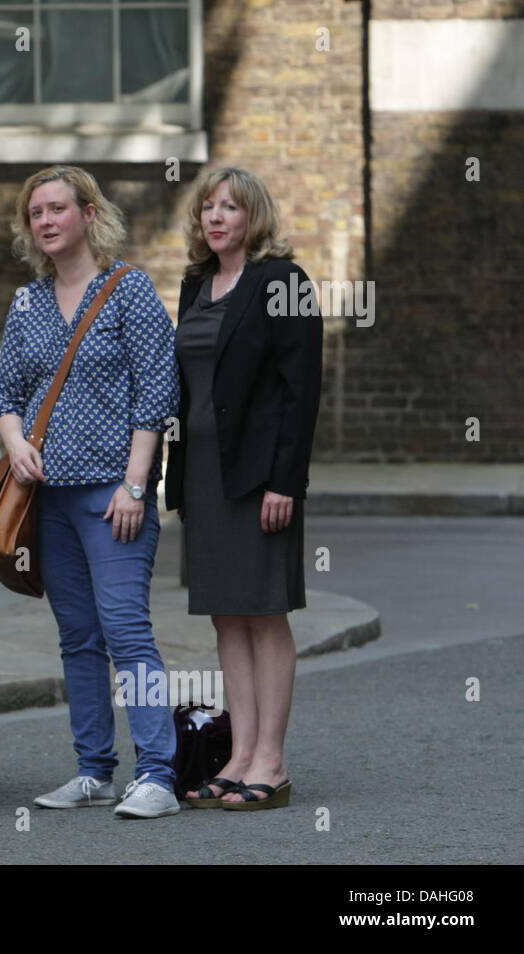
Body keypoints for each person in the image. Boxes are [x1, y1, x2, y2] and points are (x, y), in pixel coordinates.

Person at [0, 165, 181, 819]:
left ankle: (158, 773)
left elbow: (157, 393)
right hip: (48, 499)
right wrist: (14, 444)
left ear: (89, 213)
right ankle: (94, 769)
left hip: (113, 496)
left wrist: (135, 485)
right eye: (35, 213)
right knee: (77, 636)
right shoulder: (27, 302)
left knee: (126, 629)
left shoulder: (128, 290)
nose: (45, 221)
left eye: (56, 209)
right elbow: (5, 395)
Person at [166, 166, 322, 810]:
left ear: (253, 216)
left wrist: (285, 480)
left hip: (259, 478)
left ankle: (274, 762)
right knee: (227, 615)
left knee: (263, 610)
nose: (216, 216)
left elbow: (301, 391)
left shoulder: (285, 283)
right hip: (203, 475)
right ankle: (239, 754)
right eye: (208, 206)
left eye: (229, 206)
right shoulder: (196, 284)